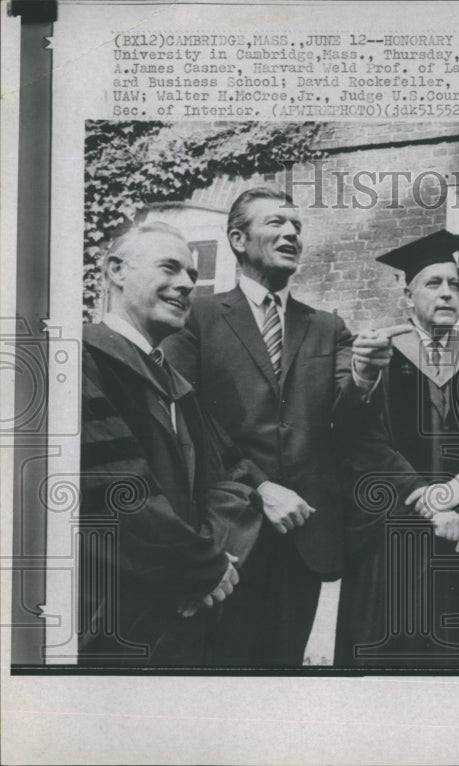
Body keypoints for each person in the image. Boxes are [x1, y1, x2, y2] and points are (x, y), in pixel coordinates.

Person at [164, 187, 401, 666]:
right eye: (275, 223)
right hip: (228, 532)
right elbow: (190, 425)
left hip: (306, 538)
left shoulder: (326, 327)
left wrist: (365, 374)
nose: (292, 232)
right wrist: (261, 488)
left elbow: (347, 422)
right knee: (220, 675)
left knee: (282, 674)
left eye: (296, 226)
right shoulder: (198, 319)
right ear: (237, 238)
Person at [336, 230, 459, 667]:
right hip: (396, 538)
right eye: (433, 283)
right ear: (408, 295)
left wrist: (454, 491)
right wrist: (427, 500)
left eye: (454, 285)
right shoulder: (378, 353)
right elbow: (359, 441)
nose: (446, 294)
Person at [79, 223, 260, 666]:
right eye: (169, 268)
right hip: (115, 612)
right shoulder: (81, 359)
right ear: (116, 271)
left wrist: (214, 562)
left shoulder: (178, 385)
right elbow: (115, 489)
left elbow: (232, 481)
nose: (185, 284)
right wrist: (201, 568)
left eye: (191, 276)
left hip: (188, 611)